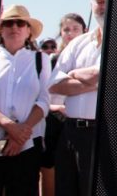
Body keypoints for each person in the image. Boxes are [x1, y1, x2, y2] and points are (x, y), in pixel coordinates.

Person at [0, 5, 51, 196]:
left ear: (28, 31)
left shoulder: (41, 60)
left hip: (26, 145)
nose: (14, 27)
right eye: (9, 23)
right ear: (1, 30)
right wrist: (9, 126)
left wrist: (21, 134)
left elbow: (43, 100)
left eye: (20, 23)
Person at [50, 0, 106, 196]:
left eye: (107, 0)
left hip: (99, 135)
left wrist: (73, 73)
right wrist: (95, 80)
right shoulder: (78, 44)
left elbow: (107, 76)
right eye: (98, 1)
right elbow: (55, 83)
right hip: (70, 132)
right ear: (91, 5)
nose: (102, 6)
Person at [41, 13, 87, 196]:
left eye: (75, 29)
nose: (70, 33)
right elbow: (47, 91)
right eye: (66, 30)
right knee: (50, 165)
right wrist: (56, 108)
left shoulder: (92, 56)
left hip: (81, 122)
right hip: (55, 119)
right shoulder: (53, 60)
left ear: (84, 30)